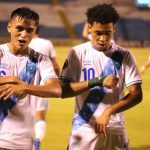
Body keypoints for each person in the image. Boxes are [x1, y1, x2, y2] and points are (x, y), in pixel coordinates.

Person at [60, 3, 142, 150]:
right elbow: (63, 91)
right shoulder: (77, 53)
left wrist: (109, 111)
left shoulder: (124, 55)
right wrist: (96, 82)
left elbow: (137, 95)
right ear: (89, 27)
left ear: (114, 29)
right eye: (98, 33)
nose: (103, 39)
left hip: (114, 127)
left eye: (107, 33)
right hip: (83, 126)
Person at [0, 7, 61, 150]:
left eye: (29, 31)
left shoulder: (41, 60)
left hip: (22, 142)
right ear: (9, 27)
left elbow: (56, 90)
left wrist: (24, 87)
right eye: (19, 28)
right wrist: (11, 79)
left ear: (35, 32)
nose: (24, 35)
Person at [29, 27, 61, 149]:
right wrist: (57, 80)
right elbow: (55, 66)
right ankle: (36, 142)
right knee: (40, 116)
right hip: (43, 84)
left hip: (24, 83)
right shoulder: (46, 43)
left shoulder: (23, 42)